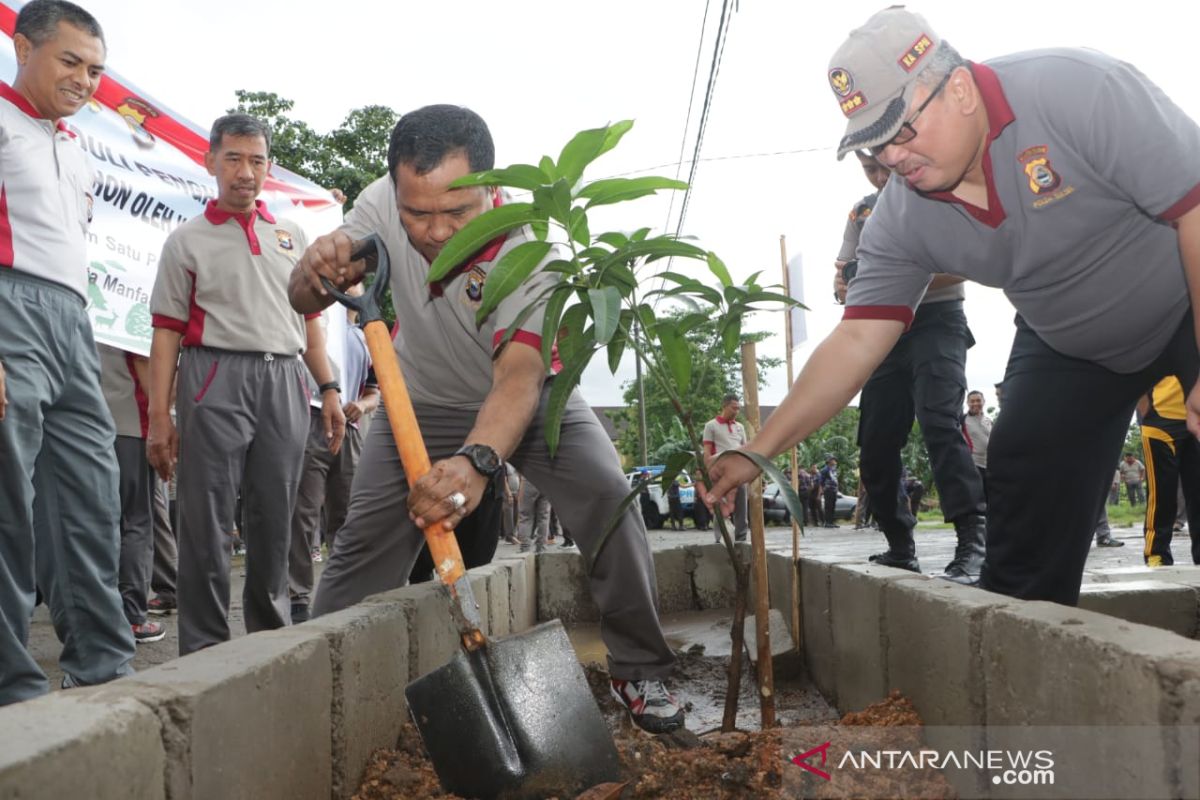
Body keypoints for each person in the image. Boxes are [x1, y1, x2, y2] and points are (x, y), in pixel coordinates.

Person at [707, 7, 1200, 607]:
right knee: (1022, 487)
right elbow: (856, 343)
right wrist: (758, 451)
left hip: (1184, 297)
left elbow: (1194, 208)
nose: (891, 158)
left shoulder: (1077, 90)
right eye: (873, 144)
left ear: (960, 88)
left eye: (901, 130)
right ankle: (1032, 660)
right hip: (1067, 342)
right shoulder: (903, 215)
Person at [289, 105, 683, 733]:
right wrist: (316, 267)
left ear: (491, 190)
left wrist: (476, 463)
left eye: (458, 212)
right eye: (418, 213)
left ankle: (641, 672)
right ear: (395, 186)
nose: (437, 231)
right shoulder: (378, 204)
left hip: (531, 402)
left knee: (610, 501)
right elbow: (304, 297)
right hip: (418, 402)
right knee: (360, 550)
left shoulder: (530, 252)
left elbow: (519, 378)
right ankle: (314, 692)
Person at [147, 113, 345, 655]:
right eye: (233, 158)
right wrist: (159, 417)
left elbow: (310, 326)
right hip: (214, 374)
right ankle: (205, 649)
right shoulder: (186, 241)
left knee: (275, 512)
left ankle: (267, 640)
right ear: (210, 161)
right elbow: (165, 333)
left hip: (284, 380)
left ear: (269, 168)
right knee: (205, 516)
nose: (245, 172)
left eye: (256, 160)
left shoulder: (292, 235)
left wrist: (328, 389)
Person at [0, 0, 137, 705]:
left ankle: (103, 668)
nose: (85, 80)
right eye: (70, 61)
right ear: (23, 49)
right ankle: (10, 685)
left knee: (90, 497)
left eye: (95, 70)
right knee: (6, 499)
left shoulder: (77, 147)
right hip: (7, 309)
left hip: (72, 321)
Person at [834, 150, 986, 580]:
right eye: (869, 170)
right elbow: (845, 278)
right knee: (876, 441)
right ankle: (900, 546)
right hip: (884, 326)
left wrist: (891, 276)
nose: (881, 177)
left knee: (939, 420)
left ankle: (973, 543)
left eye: (885, 166)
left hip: (938, 321)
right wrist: (849, 282)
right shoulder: (861, 211)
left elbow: (963, 266)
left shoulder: (939, 195)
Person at [288, 285, 380, 622]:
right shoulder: (315, 323)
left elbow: (375, 391)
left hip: (351, 431)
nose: (350, 286)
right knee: (303, 511)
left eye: (356, 281)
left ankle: (341, 590)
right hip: (311, 419)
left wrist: (362, 405)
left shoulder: (367, 337)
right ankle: (297, 597)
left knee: (346, 514)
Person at [97, 344, 167, 643]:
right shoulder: (131, 305)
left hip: (87, 425)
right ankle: (133, 618)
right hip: (129, 423)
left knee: (100, 524)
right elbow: (144, 364)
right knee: (136, 522)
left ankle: (100, 616)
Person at [1138, 377, 1200, 564]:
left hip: (1196, 418)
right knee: (1161, 494)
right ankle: (1157, 554)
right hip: (1161, 419)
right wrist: (1144, 407)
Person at [702, 394, 749, 542]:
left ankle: (741, 539)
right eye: (734, 408)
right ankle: (720, 539)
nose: (736, 411)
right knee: (721, 509)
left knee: (742, 508)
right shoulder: (711, 426)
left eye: (738, 408)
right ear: (724, 406)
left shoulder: (740, 427)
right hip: (720, 474)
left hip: (739, 474)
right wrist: (707, 474)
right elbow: (707, 452)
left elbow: (745, 450)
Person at [962, 390, 992, 500]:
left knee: (990, 497)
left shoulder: (988, 421)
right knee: (977, 498)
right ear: (967, 403)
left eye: (978, 400)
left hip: (989, 465)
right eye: (972, 401)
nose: (975, 403)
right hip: (973, 465)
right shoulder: (962, 420)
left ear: (984, 401)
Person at [818, 456, 840, 528]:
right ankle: (827, 522)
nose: (835, 462)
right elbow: (821, 482)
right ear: (829, 461)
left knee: (833, 506)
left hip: (834, 490)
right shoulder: (825, 470)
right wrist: (821, 491)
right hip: (828, 490)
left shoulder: (833, 470)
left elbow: (835, 480)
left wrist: (837, 489)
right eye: (833, 460)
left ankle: (831, 522)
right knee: (828, 506)